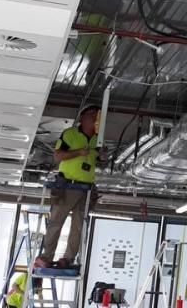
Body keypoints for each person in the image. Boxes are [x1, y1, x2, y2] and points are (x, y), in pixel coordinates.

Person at [34, 105, 105, 269]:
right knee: (56, 222)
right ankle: (46, 257)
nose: (95, 118)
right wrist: (78, 152)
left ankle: (68, 259)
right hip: (67, 185)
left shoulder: (98, 139)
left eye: (98, 115)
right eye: (92, 114)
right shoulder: (70, 134)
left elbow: (100, 161)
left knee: (78, 226)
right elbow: (58, 156)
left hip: (86, 188)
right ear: (82, 118)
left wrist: (102, 157)